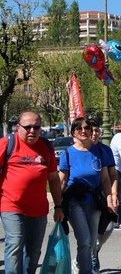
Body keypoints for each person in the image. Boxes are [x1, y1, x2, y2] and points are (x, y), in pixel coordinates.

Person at [0, 111, 64, 274]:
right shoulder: (7, 143)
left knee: (33, 251)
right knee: (14, 244)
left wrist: (58, 206)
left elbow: (54, 179)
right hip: (11, 205)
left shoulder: (46, 146)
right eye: (28, 127)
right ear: (18, 127)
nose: (32, 131)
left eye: (36, 127)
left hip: (38, 209)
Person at [59, 117, 115, 274]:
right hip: (74, 201)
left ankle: (82, 266)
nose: (83, 131)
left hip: (95, 201)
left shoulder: (98, 152)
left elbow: (105, 178)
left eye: (86, 128)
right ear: (73, 133)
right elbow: (61, 181)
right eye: (79, 129)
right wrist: (57, 205)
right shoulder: (68, 154)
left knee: (91, 242)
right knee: (84, 240)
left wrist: (110, 198)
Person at [89, 119, 119, 272]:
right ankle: (92, 259)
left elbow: (112, 175)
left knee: (108, 227)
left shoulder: (105, 150)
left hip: (105, 195)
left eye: (96, 131)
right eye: (91, 131)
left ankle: (94, 251)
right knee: (92, 229)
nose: (94, 134)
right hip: (89, 197)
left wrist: (113, 194)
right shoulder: (83, 150)